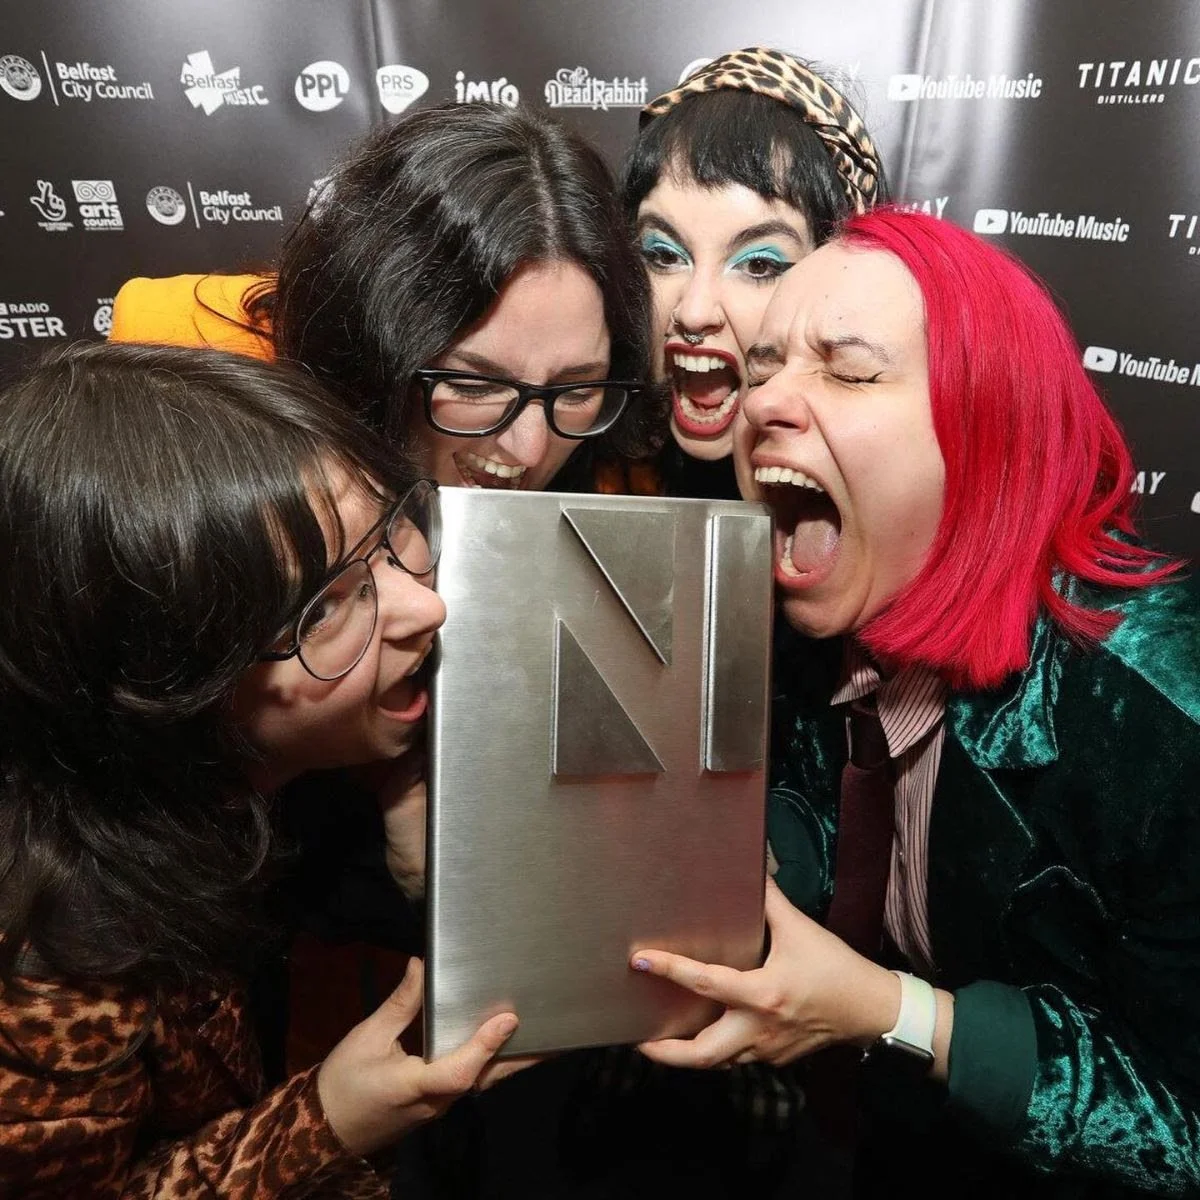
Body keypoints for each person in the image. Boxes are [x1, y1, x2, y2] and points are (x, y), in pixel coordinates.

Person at [627, 208, 1200, 1198]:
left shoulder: (1163, 724)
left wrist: (886, 1012)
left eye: (849, 372)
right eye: (764, 368)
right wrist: (758, 859)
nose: (766, 403)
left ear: (989, 431)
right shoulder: (803, 603)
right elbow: (824, 794)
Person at [0, 341, 519, 1199]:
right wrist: (325, 1122)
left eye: (393, 532)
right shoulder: (46, 979)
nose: (425, 606)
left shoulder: (273, 780)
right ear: (166, 689)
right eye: (325, 608)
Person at [111, 101, 660, 496]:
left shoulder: (618, 468)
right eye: (473, 384)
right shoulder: (185, 387)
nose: (531, 448)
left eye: (575, 389)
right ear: (372, 343)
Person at [615, 46, 886, 499]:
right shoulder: (587, 466)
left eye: (759, 265)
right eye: (663, 255)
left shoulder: (867, 506)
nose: (694, 312)